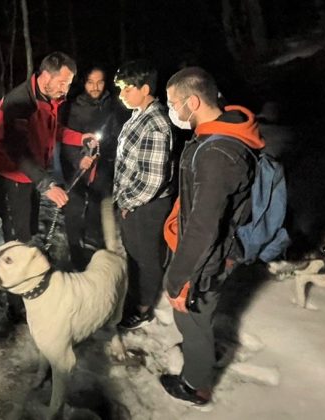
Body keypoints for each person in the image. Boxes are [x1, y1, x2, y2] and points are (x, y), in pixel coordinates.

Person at [161, 67, 265, 407]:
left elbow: (204, 227)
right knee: (200, 317)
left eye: (174, 103)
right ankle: (203, 355)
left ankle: (195, 385)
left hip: (205, 259)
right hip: (214, 253)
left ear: (192, 101)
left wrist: (178, 278)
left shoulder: (217, 154)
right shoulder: (214, 135)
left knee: (190, 318)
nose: (172, 111)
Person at [0, 51, 81, 321]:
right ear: (46, 76)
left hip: (29, 179)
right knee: (15, 243)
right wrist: (45, 183)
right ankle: (16, 307)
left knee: (27, 235)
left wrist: (81, 137)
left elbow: (54, 131)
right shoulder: (19, 102)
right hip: (11, 180)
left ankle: (29, 290)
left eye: (69, 83)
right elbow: (16, 149)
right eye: (64, 82)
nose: (67, 88)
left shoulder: (50, 98)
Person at [112, 60, 177, 330]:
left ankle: (142, 308)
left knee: (146, 257)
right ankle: (135, 296)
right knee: (135, 254)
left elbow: (151, 180)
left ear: (145, 88)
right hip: (134, 203)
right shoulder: (139, 114)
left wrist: (127, 202)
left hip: (146, 206)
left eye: (127, 89)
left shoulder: (155, 124)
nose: (122, 94)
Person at [59, 66, 129, 270]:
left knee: (98, 207)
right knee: (74, 206)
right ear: (84, 83)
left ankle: (94, 248)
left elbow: (118, 134)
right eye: (91, 82)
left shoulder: (114, 105)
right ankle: (74, 252)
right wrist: (78, 159)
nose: (95, 87)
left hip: (105, 166)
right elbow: (66, 139)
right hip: (78, 167)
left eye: (99, 82)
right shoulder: (74, 107)